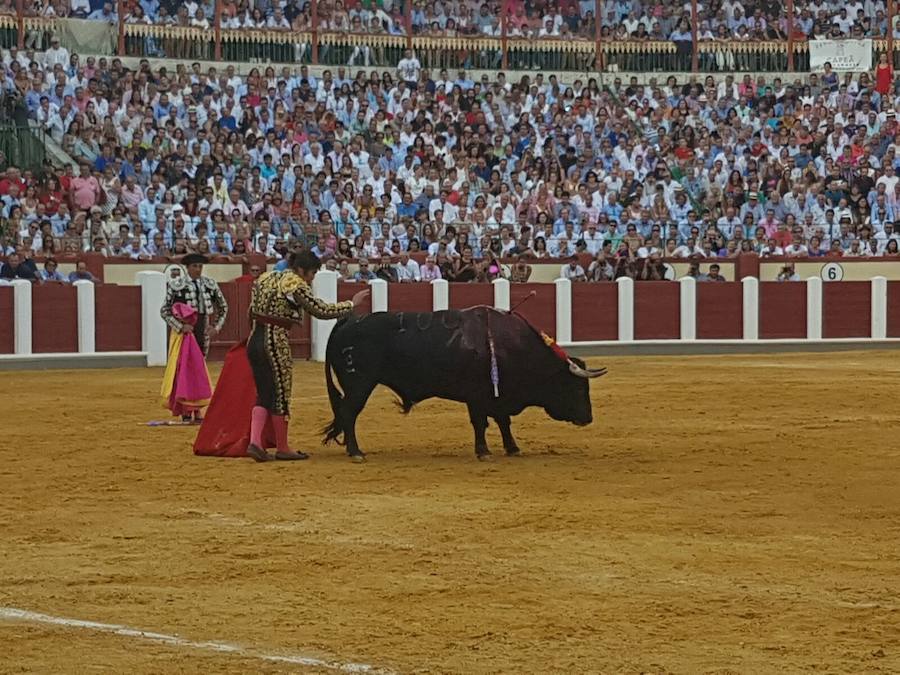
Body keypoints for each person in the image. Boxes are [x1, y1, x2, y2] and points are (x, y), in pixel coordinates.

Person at [244, 251, 369, 462]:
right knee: (281, 394)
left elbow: (250, 311)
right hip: (274, 341)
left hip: (254, 339)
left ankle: (255, 442)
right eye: (311, 273)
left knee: (264, 393)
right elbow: (320, 310)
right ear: (301, 269)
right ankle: (282, 447)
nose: (311, 278)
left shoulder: (266, 277)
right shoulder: (295, 283)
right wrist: (350, 304)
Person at [160, 253, 229, 359]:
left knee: (201, 360)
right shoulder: (176, 285)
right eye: (194, 266)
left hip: (203, 326)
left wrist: (216, 327)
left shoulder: (210, 284)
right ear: (187, 267)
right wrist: (180, 327)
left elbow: (223, 307)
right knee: (184, 362)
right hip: (185, 330)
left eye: (200, 266)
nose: (198, 269)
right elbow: (165, 311)